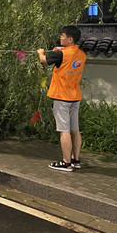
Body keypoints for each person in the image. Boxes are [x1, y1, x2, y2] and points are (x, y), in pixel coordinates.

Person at [37, 25, 86, 172]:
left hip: (62, 97)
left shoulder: (61, 55)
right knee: (75, 130)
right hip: (74, 96)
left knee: (64, 131)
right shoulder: (81, 54)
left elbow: (44, 60)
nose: (61, 37)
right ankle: (75, 160)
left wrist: (40, 53)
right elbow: (67, 56)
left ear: (70, 39)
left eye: (63, 35)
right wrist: (60, 50)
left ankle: (66, 162)